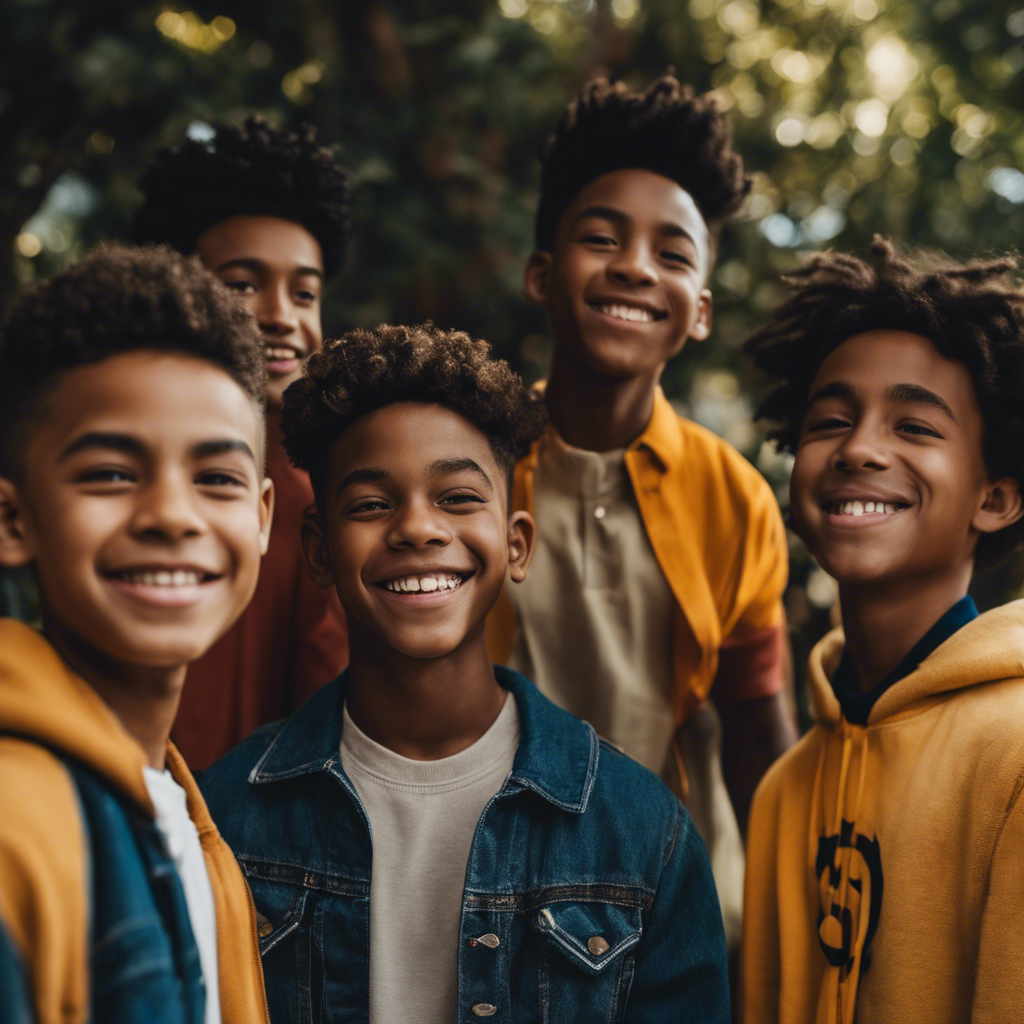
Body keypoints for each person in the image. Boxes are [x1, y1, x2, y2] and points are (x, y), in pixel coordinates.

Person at [201, 324, 731, 1023]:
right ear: (319, 548)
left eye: (457, 498)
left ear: (516, 544)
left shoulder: (641, 835)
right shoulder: (223, 820)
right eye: (370, 504)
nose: (418, 528)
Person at [486, 73, 795, 940]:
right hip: (480, 896)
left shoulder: (734, 496)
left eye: (672, 251)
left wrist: (786, 932)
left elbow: (757, 735)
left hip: (669, 918)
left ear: (697, 311)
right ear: (542, 274)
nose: (633, 266)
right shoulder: (468, 463)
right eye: (601, 237)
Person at [739, 238, 1024, 1024]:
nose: (860, 448)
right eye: (831, 420)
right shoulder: (781, 792)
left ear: (995, 498)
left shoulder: (1016, 757)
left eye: (916, 428)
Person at [0, 244, 273, 1024]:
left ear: (260, 519)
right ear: (13, 519)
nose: (171, 515)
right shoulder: (17, 823)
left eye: (215, 478)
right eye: (112, 473)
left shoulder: (193, 823)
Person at [134, 116, 350, 768]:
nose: (281, 314)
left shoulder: (323, 491)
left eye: (304, 292)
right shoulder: (120, 475)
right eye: (243, 285)